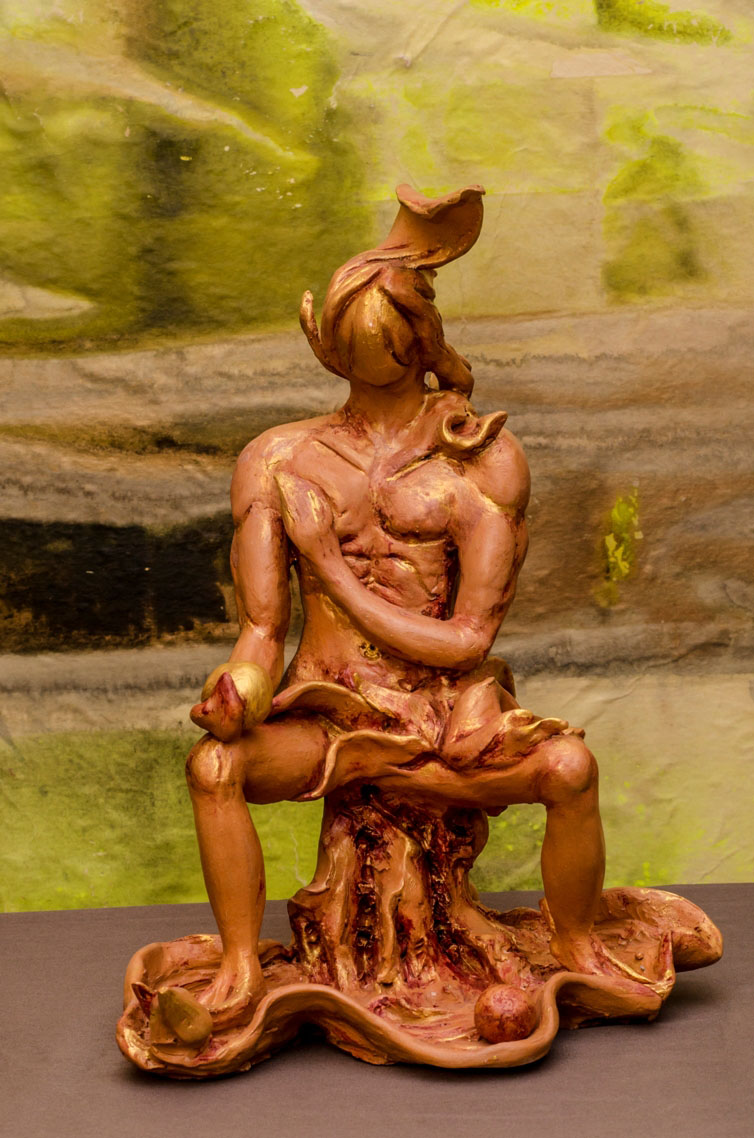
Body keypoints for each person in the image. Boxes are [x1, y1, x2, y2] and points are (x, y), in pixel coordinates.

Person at [186, 185, 635, 1029]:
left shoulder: (482, 460)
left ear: (423, 336)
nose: (372, 339)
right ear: (327, 341)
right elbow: (261, 629)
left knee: (569, 769)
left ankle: (577, 943)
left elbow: (466, 641)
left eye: (389, 321)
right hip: (331, 720)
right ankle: (240, 967)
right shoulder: (277, 458)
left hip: (441, 722)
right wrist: (238, 694)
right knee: (215, 766)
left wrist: (331, 567)